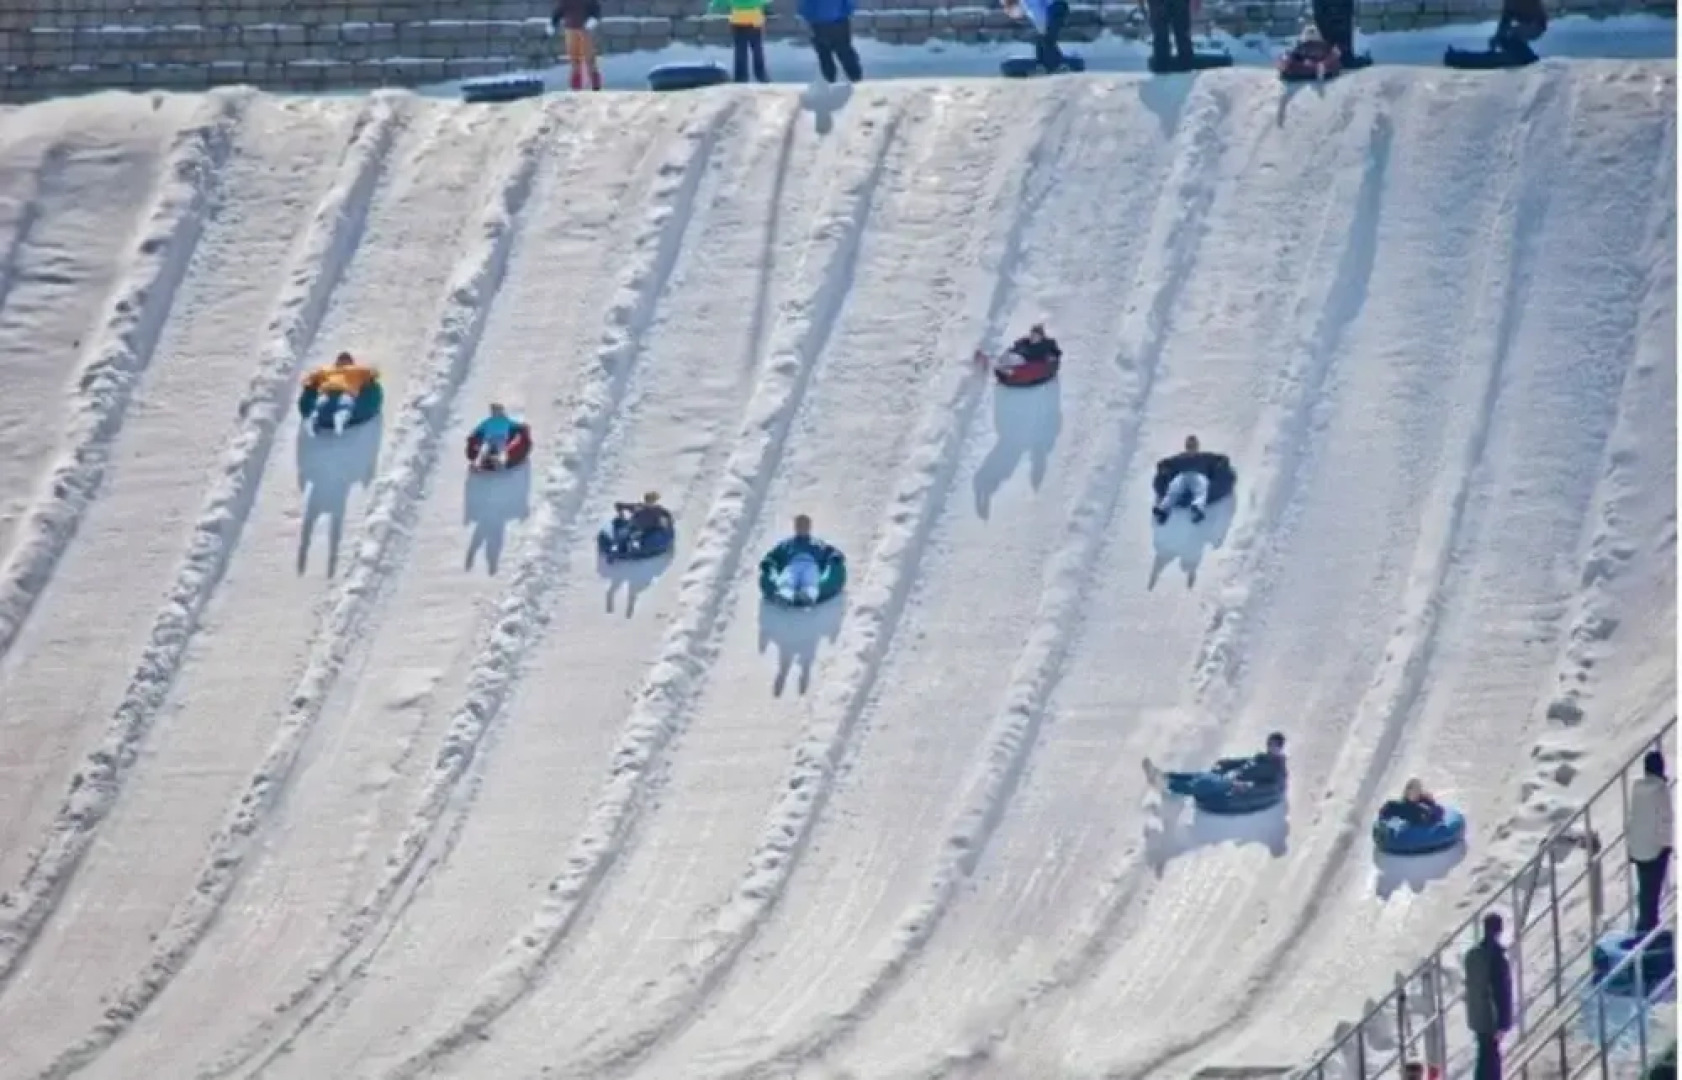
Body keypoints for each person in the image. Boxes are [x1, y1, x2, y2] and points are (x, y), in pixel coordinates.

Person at [1144, 732, 1289, 801]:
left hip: (1235, 787)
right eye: (1269, 744)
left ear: (1280, 748)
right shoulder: (1261, 758)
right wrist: (1225, 763)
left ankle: (1167, 785)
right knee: (1200, 775)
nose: (1271, 747)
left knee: (1202, 784)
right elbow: (1241, 763)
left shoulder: (1277, 768)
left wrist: (1247, 787)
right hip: (1229, 777)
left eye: (1274, 746)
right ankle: (1163, 775)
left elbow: (1275, 787)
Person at [1463, 910, 1513, 1080]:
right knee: (1491, 1059)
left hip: (1478, 1017)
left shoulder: (1473, 956)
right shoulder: (1496, 958)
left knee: (1483, 1056)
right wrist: (1503, 1022)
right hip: (1491, 1017)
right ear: (1500, 930)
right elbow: (1501, 991)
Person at [1628, 749, 1673, 935]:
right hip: (1655, 850)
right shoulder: (1660, 790)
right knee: (1653, 892)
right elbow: (1664, 820)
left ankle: (1643, 926)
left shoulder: (1637, 789)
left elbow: (1634, 818)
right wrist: (1667, 845)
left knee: (1644, 890)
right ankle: (1648, 929)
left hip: (1638, 849)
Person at [761, 513, 842, 604]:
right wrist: (768, 562)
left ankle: (808, 595)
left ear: (809, 528)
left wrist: (835, 556)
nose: (802, 528)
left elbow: (830, 551)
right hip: (792, 565)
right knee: (788, 577)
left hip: (810, 564)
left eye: (804, 526)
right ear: (795, 528)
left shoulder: (817, 543)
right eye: (799, 526)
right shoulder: (787, 544)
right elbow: (774, 554)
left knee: (811, 578)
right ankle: (785, 594)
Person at [1152, 434, 1228, 525]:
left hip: (1199, 476)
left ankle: (1197, 508)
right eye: (1189, 446)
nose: (1191, 449)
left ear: (1197, 447)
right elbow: (1163, 463)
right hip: (1183, 477)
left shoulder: (1205, 457)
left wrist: (1221, 465)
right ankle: (1163, 510)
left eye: (1193, 446)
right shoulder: (1180, 458)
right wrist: (1163, 469)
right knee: (1174, 487)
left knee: (1201, 487)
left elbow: (1222, 459)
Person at [301, 351, 379, 434]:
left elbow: (311, 378)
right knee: (336, 403)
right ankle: (329, 418)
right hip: (339, 391)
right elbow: (372, 373)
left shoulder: (327, 369)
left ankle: (328, 417)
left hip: (335, 391)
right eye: (342, 359)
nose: (343, 362)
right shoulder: (355, 369)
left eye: (344, 360)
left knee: (328, 403)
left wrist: (308, 383)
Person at [799, 0, 862, 83]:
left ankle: (830, 77)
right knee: (844, 50)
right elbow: (849, 4)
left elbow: (805, 6)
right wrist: (847, 12)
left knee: (824, 54)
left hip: (818, 24)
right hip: (839, 21)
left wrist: (808, 18)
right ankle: (855, 75)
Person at [1002, 0, 1070, 74]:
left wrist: (1042, 29)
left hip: (1056, 6)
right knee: (1043, 39)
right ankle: (1045, 64)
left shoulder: (1026, 3)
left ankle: (1055, 65)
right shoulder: (1024, 5)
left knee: (1046, 38)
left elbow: (1038, 13)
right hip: (1054, 7)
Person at [710, 0, 770, 83]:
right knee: (757, 50)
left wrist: (712, 7)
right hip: (754, 23)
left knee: (740, 51)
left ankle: (741, 78)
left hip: (739, 23)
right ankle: (761, 76)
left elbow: (718, 3)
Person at [549, 0, 603, 91]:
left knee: (589, 58)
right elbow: (559, 10)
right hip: (570, 28)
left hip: (585, 29)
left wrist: (593, 19)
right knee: (574, 59)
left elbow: (596, 9)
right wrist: (553, 23)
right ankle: (576, 87)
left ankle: (595, 86)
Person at [469, 404, 520, 470]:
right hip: (492, 439)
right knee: (487, 448)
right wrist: (473, 433)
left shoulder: (503, 420)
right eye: (493, 411)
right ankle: (484, 461)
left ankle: (493, 461)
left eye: (495, 411)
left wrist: (473, 433)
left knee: (494, 449)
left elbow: (515, 425)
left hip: (497, 439)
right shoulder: (490, 421)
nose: (494, 413)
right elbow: (479, 428)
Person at [1378, 778, 1446, 827]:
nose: (1415, 793)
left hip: (1422, 829)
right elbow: (1385, 812)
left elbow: (1439, 811)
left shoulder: (1424, 803)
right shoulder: (1397, 806)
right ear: (1407, 792)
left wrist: (1431, 802)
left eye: (1418, 790)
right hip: (1406, 830)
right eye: (1413, 791)